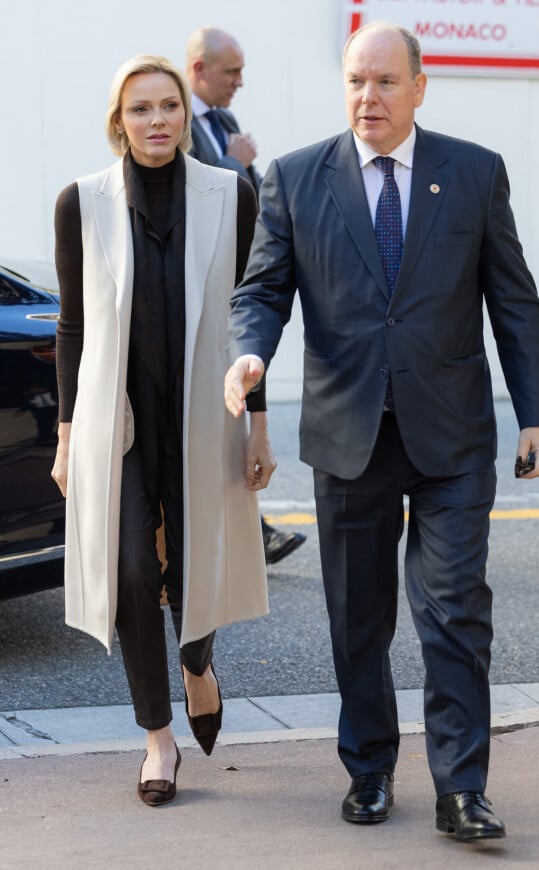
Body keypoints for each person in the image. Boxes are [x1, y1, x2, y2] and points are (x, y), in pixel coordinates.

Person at [224, 22, 539, 839]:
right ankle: (369, 769)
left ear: (419, 86)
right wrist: (248, 356)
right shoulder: (297, 179)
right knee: (359, 617)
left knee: (454, 612)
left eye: (382, 82)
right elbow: (262, 291)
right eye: (354, 82)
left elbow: (512, 299)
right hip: (349, 435)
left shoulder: (473, 173)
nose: (366, 97)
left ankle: (461, 789)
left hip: (452, 436)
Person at [51, 54, 274, 807]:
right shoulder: (80, 202)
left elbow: (251, 316)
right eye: (140, 109)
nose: (157, 121)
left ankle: (199, 665)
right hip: (117, 420)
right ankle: (157, 738)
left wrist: (261, 426)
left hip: (207, 413)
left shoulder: (231, 194)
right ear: (120, 121)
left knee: (195, 565)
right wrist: (64, 437)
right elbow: (72, 326)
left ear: (185, 114)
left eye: (169, 106)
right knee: (132, 575)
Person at [185, 24, 306, 565]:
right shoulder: (176, 119)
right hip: (195, 293)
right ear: (199, 70)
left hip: (235, 287)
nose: (239, 82)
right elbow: (195, 197)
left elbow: (250, 197)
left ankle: (249, 529)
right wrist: (234, 162)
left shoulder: (226, 122)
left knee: (237, 398)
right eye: (231, 71)